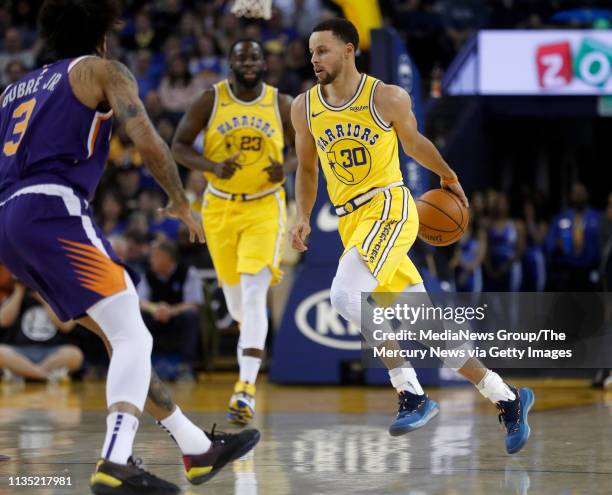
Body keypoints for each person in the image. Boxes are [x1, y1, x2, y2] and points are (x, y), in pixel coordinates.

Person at [0, 2, 259, 494]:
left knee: (121, 335)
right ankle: (115, 461)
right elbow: (147, 138)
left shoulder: (13, 90)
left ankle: (196, 448)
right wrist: (181, 201)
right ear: (101, 34)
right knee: (135, 341)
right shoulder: (102, 70)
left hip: (8, 219)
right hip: (52, 207)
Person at [289, 18, 534, 454]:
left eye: (323, 50)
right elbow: (307, 168)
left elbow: (414, 143)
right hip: (351, 221)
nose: (314, 59)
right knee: (428, 328)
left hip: (390, 206)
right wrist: (302, 215)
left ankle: (411, 392)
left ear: (349, 50)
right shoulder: (304, 107)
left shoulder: (386, 96)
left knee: (345, 295)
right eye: (311, 52)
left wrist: (449, 176)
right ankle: (508, 397)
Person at [172, 39, 296, 426]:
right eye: (241, 56)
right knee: (238, 306)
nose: (248, 62)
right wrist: (210, 164)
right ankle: (250, 346)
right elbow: (177, 146)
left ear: (264, 63)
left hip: (264, 205)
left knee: (256, 292)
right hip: (220, 206)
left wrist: (286, 168)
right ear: (230, 62)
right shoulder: (210, 99)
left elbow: (304, 149)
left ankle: (245, 388)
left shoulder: (282, 103)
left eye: (255, 56)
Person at [138, 238, 203, 381]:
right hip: (156, 317)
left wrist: (171, 311)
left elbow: (194, 304)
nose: (151, 260)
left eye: (154, 256)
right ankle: (143, 365)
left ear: (166, 257)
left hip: (177, 318)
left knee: (191, 315)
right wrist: (155, 309)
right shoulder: (148, 275)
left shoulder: (188, 272)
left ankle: (186, 366)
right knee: (140, 315)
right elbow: (140, 301)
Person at [0, 281, 83, 382]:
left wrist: (45, 299)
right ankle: (44, 376)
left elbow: (66, 326)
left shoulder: (59, 297)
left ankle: (24, 373)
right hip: (20, 351)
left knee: (75, 354)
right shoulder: (16, 295)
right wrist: (19, 291)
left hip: (52, 352)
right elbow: (3, 321)